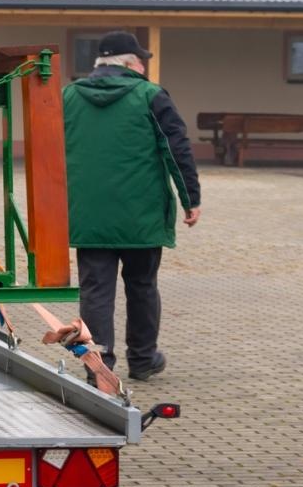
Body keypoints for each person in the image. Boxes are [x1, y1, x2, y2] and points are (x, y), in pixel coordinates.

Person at [64, 31, 201, 381]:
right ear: (131, 63)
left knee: (95, 289)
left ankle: (99, 364)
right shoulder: (150, 96)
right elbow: (176, 149)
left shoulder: (68, 96)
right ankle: (142, 359)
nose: (144, 66)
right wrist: (191, 199)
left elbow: (50, 153)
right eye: (141, 60)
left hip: (89, 214)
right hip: (142, 214)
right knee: (141, 286)